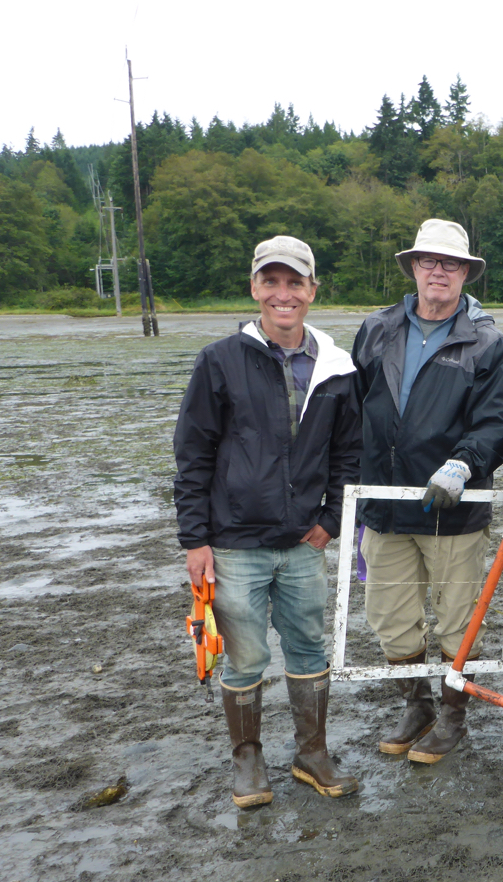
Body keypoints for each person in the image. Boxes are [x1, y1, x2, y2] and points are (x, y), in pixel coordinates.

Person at [174, 236, 361, 808]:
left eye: (295, 282)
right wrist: (195, 539)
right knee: (246, 657)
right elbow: (194, 452)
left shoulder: (337, 367)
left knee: (309, 648)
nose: (284, 294)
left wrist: (331, 520)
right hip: (233, 545)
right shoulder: (220, 360)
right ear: (255, 288)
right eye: (271, 282)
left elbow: (348, 453)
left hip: (304, 544)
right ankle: (248, 761)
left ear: (312, 290)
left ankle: (311, 753)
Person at [352, 219, 503, 764]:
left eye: (451, 263)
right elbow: (352, 413)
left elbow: (496, 424)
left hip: (453, 508)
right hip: (384, 506)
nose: (439, 270)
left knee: (456, 620)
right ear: (414, 267)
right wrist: (348, 490)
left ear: (467, 272)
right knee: (391, 620)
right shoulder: (375, 330)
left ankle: (452, 716)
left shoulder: (490, 343)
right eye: (429, 261)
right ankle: (417, 704)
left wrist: (462, 465)